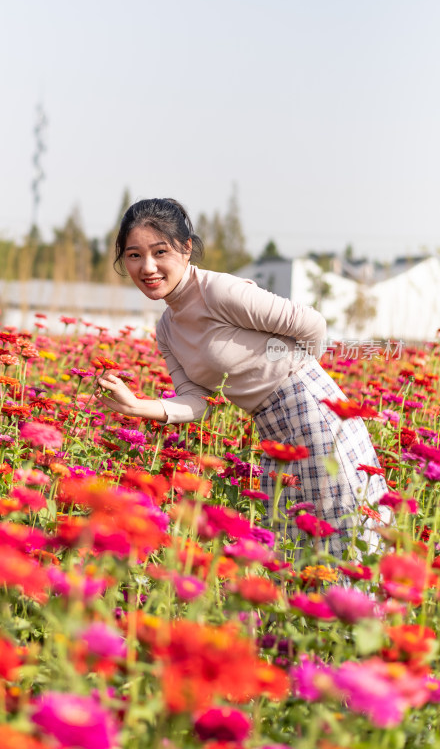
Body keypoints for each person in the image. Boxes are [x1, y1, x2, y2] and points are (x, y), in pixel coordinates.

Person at [97, 198, 389, 557]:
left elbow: (311, 325)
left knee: (345, 534)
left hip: (314, 414)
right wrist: (138, 406)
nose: (148, 267)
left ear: (187, 249)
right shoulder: (168, 329)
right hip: (270, 427)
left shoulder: (218, 291)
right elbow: (199, 401)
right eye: (134, 255)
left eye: (160, 251)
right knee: (293, 542)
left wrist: (299, 377)